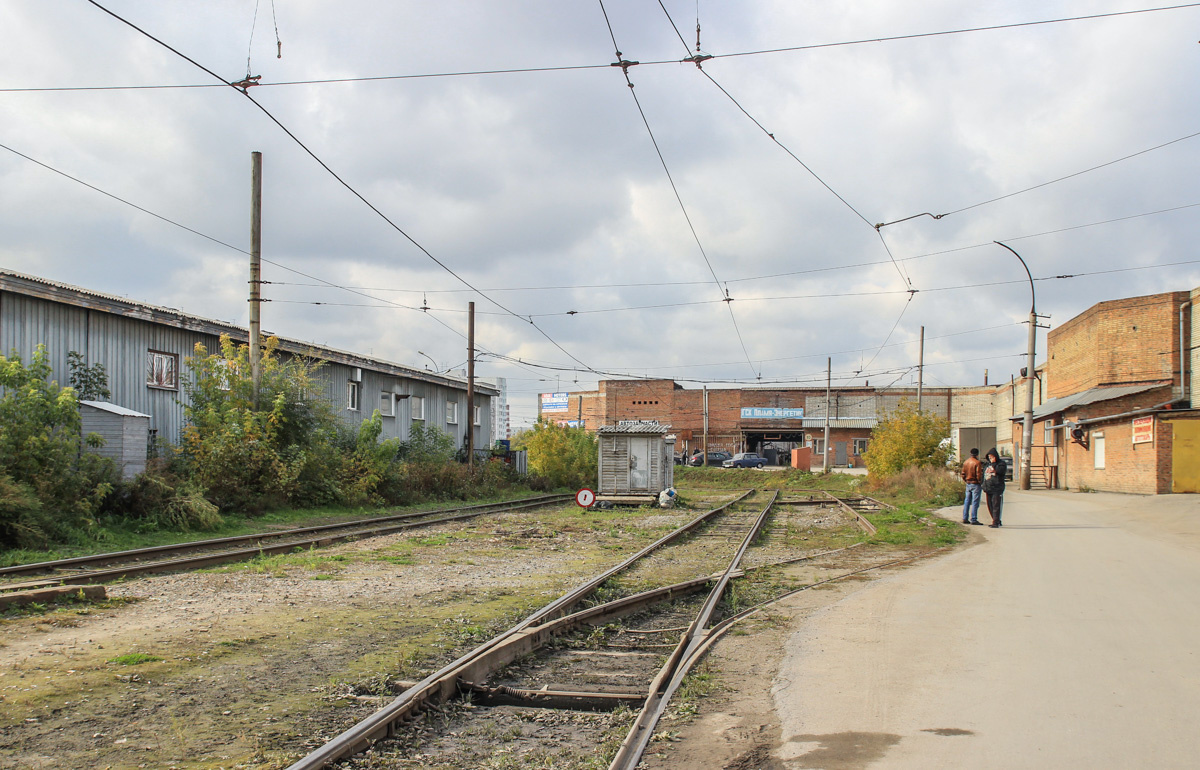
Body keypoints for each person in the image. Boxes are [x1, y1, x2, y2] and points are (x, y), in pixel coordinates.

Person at [981, 448, 1007, 528]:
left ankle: (995, 522)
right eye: (989, 457)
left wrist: (994, 464)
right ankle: (996, 520)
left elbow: (1001, 471)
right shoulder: (987, 465)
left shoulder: (1001, 464)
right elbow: (983, 475)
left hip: (997, 488)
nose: (990, 458)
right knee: (990, 506)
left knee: (996, 505)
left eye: (991, 457)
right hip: (988, 488)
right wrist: (982, 484)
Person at [959, 448, 983, 525]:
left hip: (968, 483)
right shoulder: (977, 463)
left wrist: (966, 480)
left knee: (967, 501)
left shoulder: (966, 462)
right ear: (977, 454)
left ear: (970, 453)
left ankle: (965, 518)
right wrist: (980, 482)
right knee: (975, 502)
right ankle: (974, 519)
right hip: (975, 483)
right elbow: (978, 474)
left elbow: (963, 473)